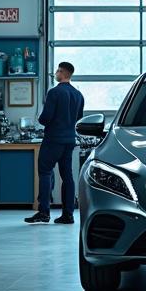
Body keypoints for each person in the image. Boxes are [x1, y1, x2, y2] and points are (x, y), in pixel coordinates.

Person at [25, 61, 85, 226]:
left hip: (53, 139)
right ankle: (68, 214)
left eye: (57, 71)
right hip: (69, 140)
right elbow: (78, 117)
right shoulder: (78, 94)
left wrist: (42, 119)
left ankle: (44, 212)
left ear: (62, 73)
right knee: (67, 177)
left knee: (45, 172)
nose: (55, 74)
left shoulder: (54, 92)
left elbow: (45, 118)